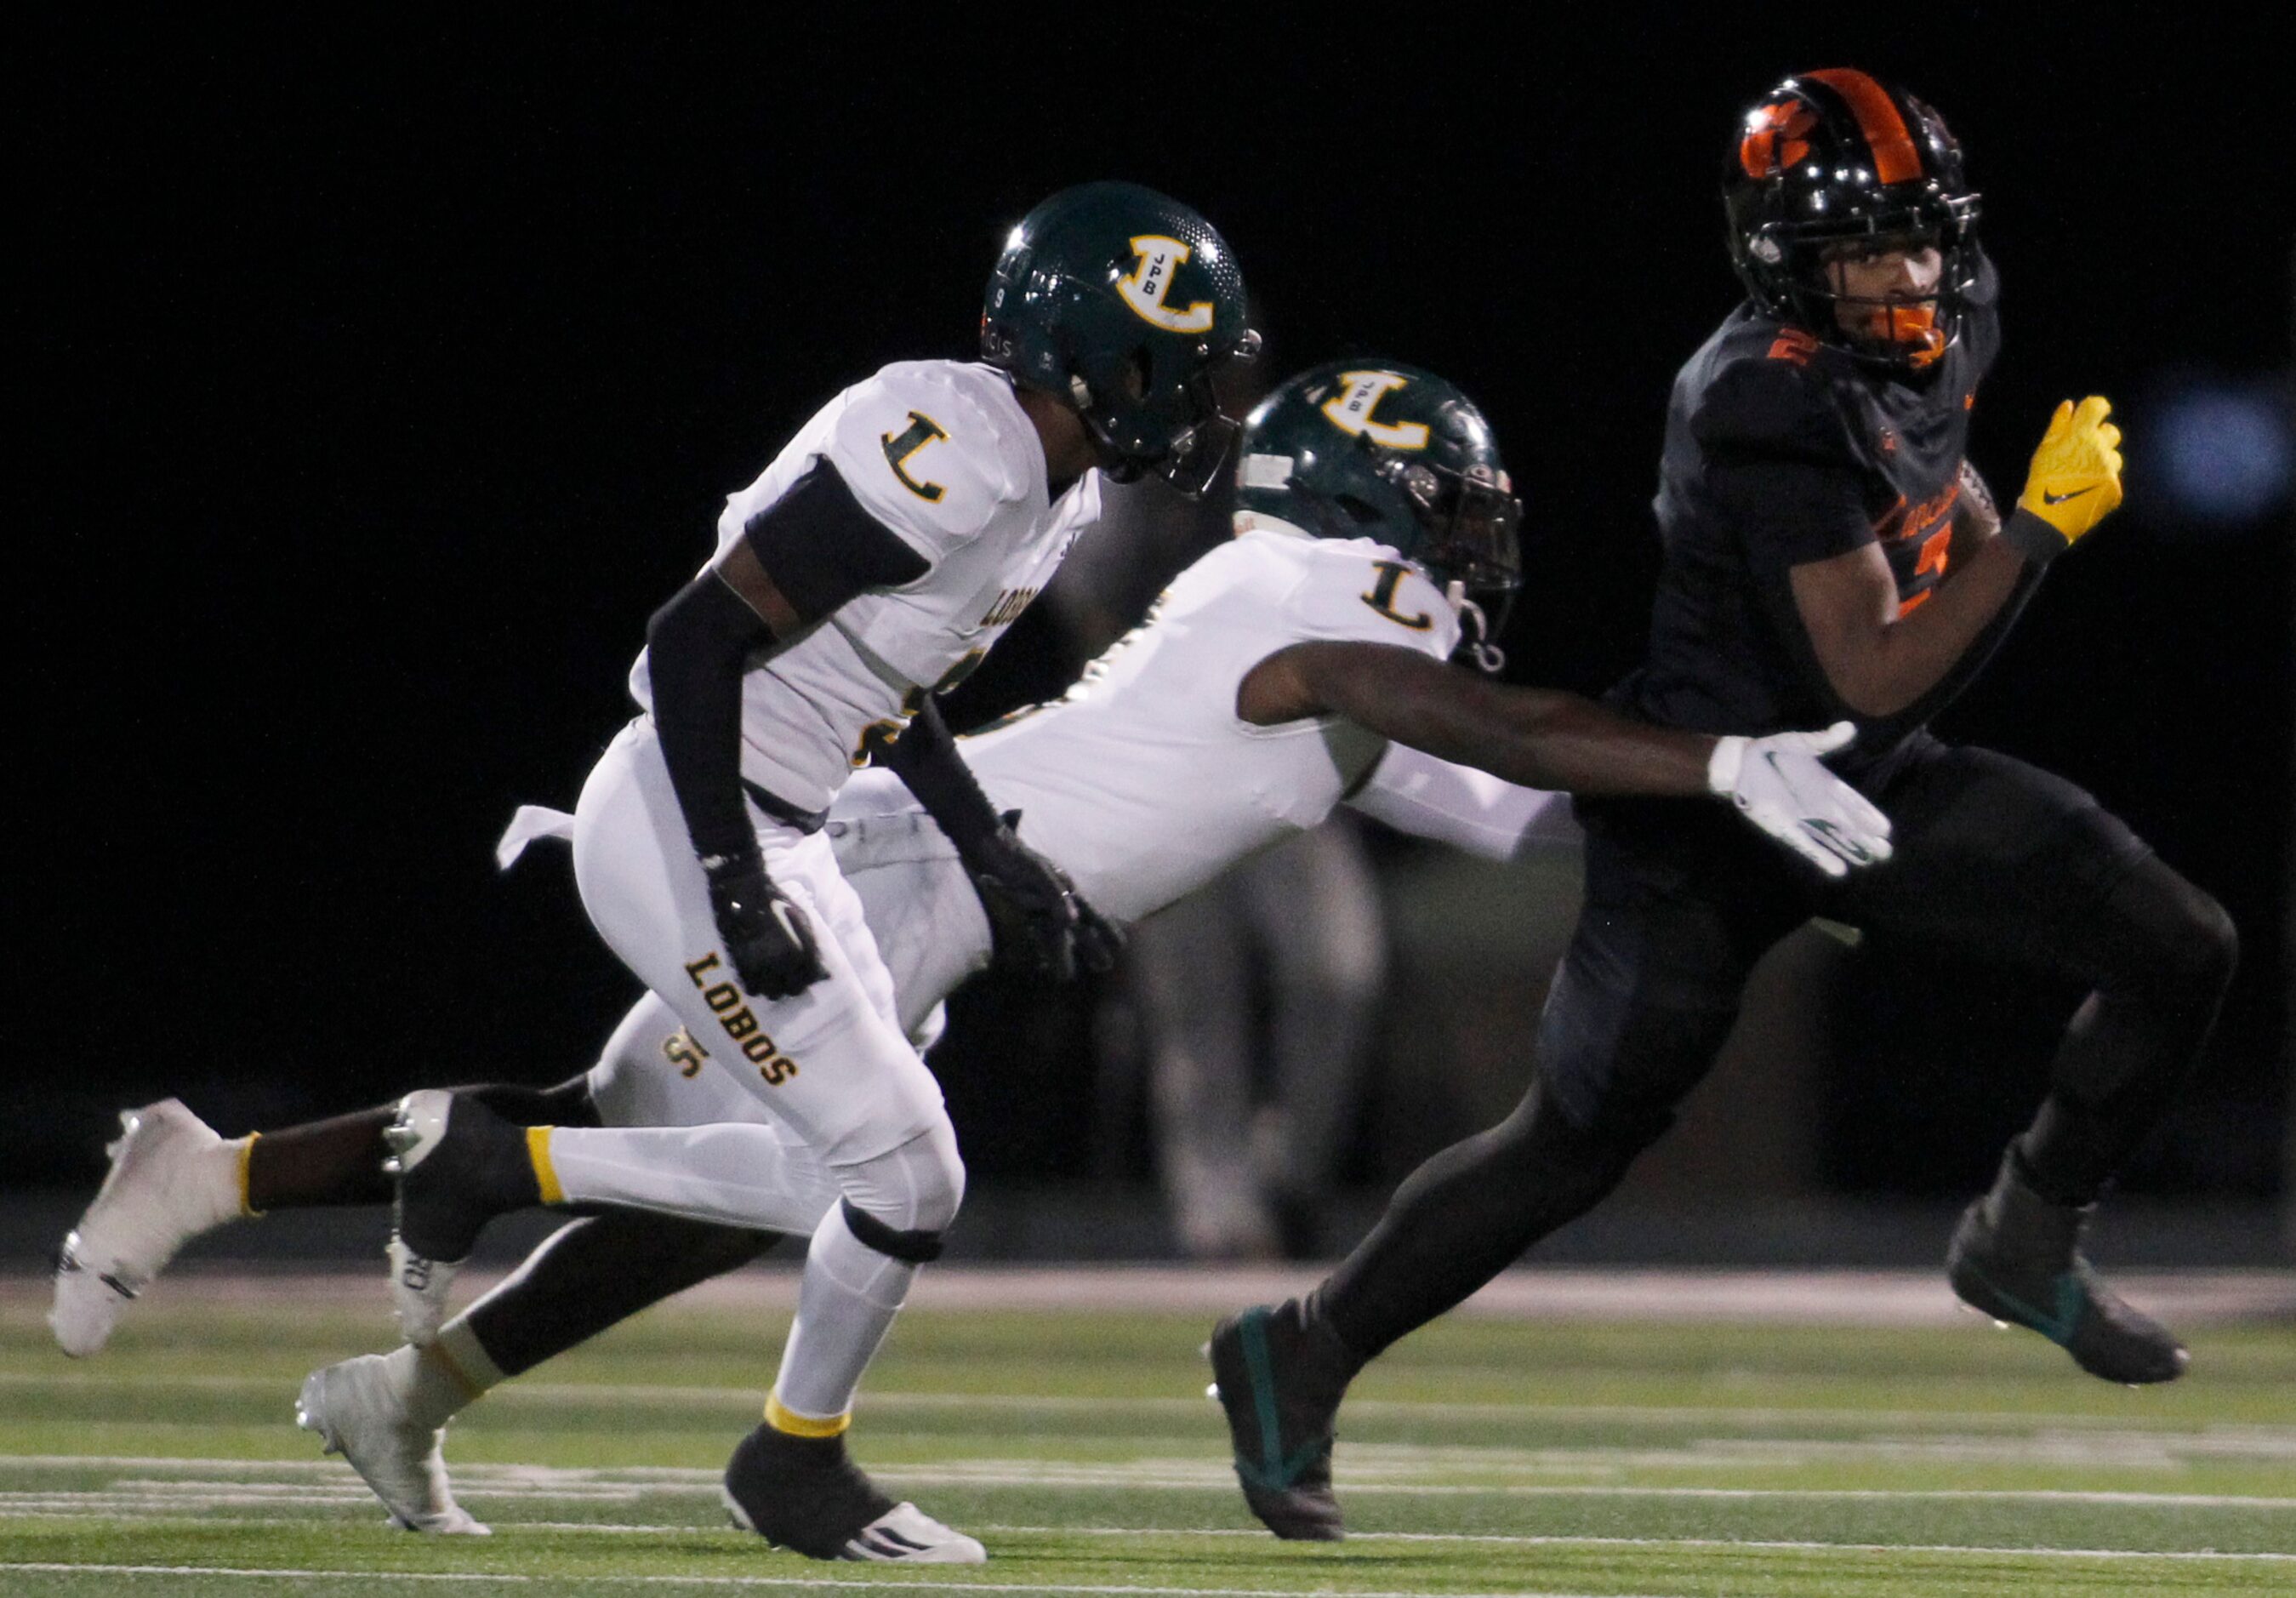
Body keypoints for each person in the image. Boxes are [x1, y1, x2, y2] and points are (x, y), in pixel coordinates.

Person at [52, 359, 1893, 1545]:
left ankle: (307, 1264)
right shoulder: (1307, 592)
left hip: (928, 867)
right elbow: (1467, 719)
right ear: (1381, 510)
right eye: (1456, 510)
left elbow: (1514, 797)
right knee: (820, 1177)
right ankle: (519, 1290)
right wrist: (1711, 753)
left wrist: (1753, 799)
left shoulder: (1338, 642)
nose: (1474, 546)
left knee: (717, 1175)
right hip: (883, 861)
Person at [1206, 69, 2241, 1544]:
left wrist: (1986, 529)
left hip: (1862, 783)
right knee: (1574, 1140)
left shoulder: (1955, 306)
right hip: (1707, 803)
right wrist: (2041, 540)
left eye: (1923, 239)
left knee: (2180, 943)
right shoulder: (1760, 397)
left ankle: (2027, 1229)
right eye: (1870, 253)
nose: (1911, 276)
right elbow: (1876, 669)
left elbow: (1920, 517)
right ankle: (1297, 1345)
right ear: (1784, 261)